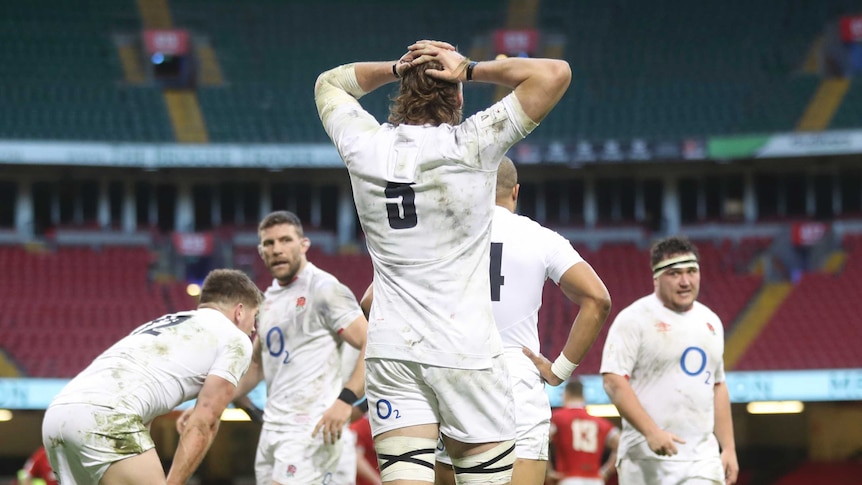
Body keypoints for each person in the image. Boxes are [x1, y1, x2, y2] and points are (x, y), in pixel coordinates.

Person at [315, 38, 571, 484]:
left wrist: (400, 67)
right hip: (465, 353)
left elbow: (329, 83)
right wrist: (468, 68)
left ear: (402, 88)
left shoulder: (364, 144)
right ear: (455, 94)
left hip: (392, 352)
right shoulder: (471, 143)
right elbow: (554, 74)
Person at [423, 156, 610, 485]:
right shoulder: (542, 238)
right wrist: (559, 371)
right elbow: (598, 299)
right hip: (516, 378)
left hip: (457, 373)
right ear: (516, 191)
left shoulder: (440, 237)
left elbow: (375, 300)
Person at [42, 269, 261, 485]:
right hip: (106, 418)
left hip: (58, 416)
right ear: (239, 312)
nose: (253, 329)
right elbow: (206, 422)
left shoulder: (165, 323)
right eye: (255, 317)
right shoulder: (236, 338)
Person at [210, 210, 368, 485]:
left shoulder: (325, 289)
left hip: (311, 427)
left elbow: (371, 342)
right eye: (269, 243)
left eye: (285, 240)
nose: (277, 249)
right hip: (273, 430)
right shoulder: (268, 300)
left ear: (303, 244)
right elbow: (257, 365)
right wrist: (209, 405)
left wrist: (346, 400)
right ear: (261, 251)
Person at [600, 236, 739, 485]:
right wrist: (651, 432)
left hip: (701, 458)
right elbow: (613, 380)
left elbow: (717, 385)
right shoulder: (634, 319)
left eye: (691, 272)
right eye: (674, 274)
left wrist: (728, 447)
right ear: (656, 277)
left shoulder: (711, 322)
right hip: (645, 458)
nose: (685, 281)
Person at [549, 380, 620, 485]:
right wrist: (606, 471)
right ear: (584, 397)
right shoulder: (600, 423)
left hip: (569, 479)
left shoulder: (557, 418)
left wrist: (548, 471)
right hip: (596, 480)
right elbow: (620, 444)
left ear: (565, 395)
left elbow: (541, 442)